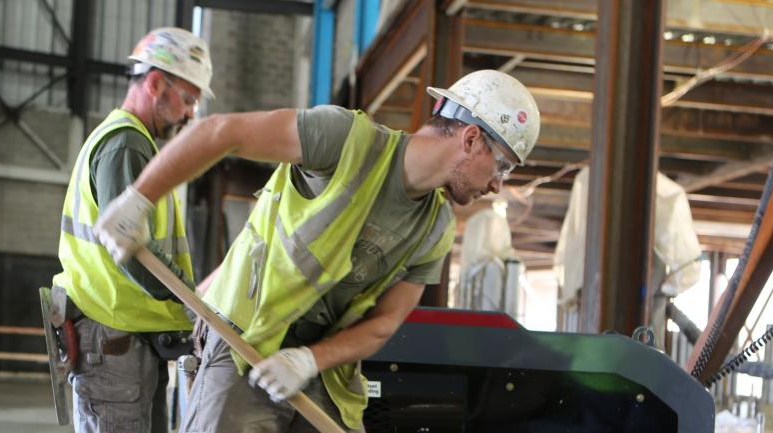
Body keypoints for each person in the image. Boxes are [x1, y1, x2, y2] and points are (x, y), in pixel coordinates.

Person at [95, 69, 541, 432]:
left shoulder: (436, 229)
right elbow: (221, 131)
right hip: (243, 338)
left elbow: (385, 322)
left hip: (320, 366)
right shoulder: (344, 138)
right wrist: (138, 199)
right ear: (469, 139)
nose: (498, 184)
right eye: (501, 164)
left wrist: (309, 360)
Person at [50, 27, 212, 433]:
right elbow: (130, 249)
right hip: (112, 338)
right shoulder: (125, 145)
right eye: (188, 99)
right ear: (156, 83)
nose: (191, 112)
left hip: (124, 338)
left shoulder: (135, 144)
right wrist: (194, 304)